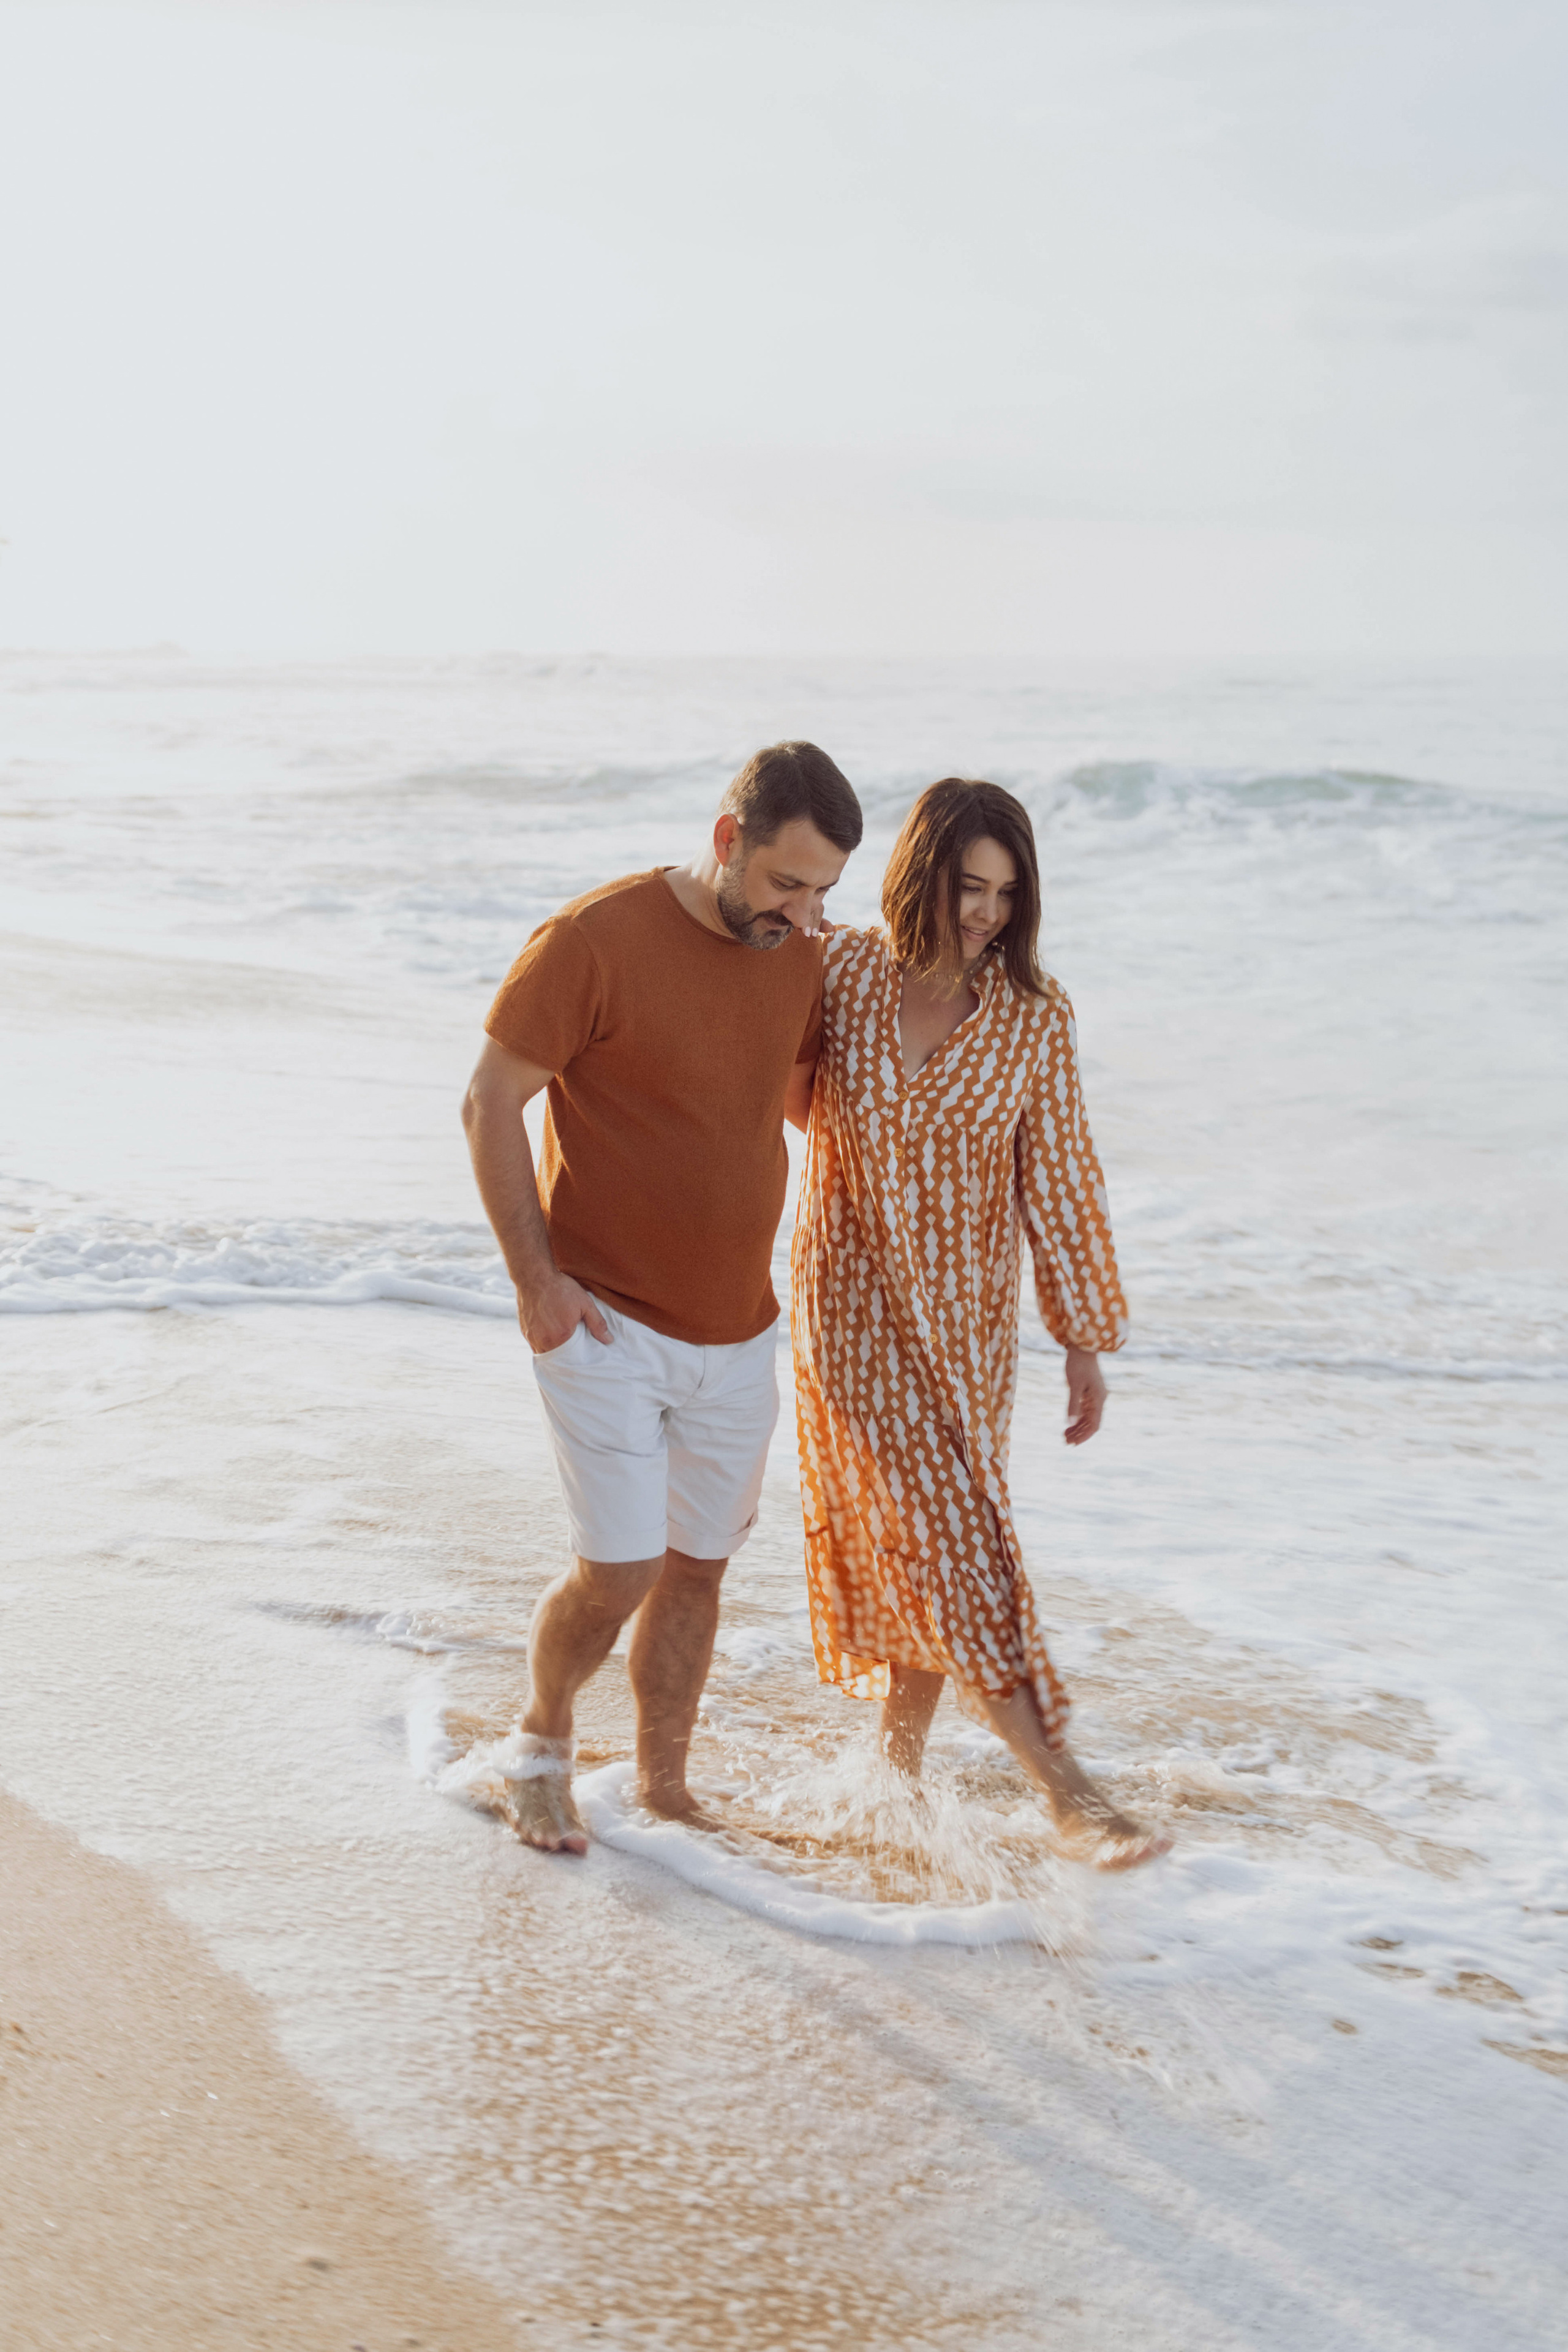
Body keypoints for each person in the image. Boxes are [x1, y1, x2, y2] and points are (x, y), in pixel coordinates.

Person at [462, 741, 862, 1853]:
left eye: (826, 889)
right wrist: (536, 1286)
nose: (804, 910)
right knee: (621, 1570)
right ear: (729, 840)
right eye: (787, 882)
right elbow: (490, 1104)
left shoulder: (801, 951)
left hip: (741, 1331)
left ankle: (664, 1788)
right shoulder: (592, 940)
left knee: (698, 1568)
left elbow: (794, 1101)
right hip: (602, 1323)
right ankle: (536, 1749)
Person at [790, 778, 1169, 1870]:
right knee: (947, 1545)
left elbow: (1064, 1184)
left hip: (965, 1332)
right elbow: (778, 1084)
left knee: (944, 1542)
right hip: (851, 1316)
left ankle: (892, 1772)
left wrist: (1084, 1342)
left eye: (1007, 894)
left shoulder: (1035, 1019)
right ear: (924, 876)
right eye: (969, 887)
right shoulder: (848, 971)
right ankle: (1065, 1793)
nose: (987, 914)